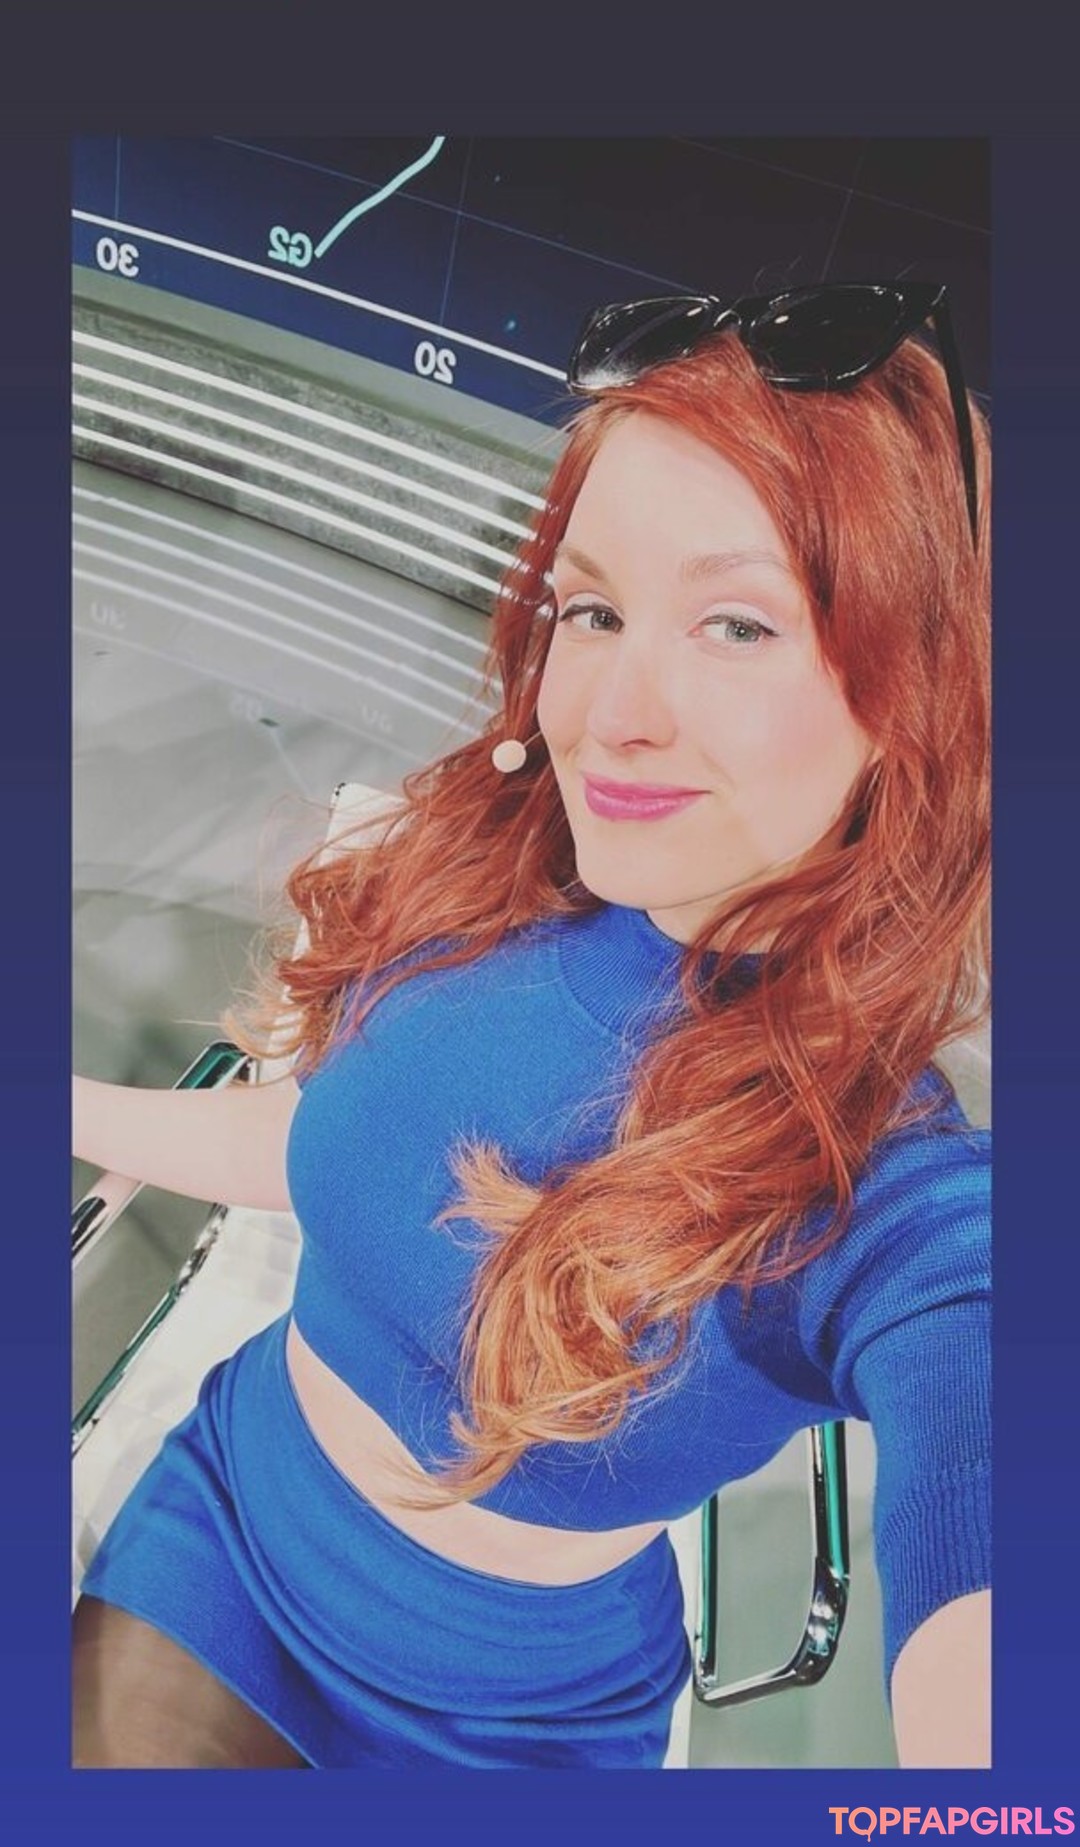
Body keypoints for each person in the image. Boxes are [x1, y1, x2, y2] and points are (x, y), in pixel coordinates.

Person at [71, 283, 991, 1771]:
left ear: (910, 692)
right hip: (224, 1545)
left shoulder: (888, 1188)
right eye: (595, 610)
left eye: (737, 624)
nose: (613, 712)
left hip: (519, 1719)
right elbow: (329, 1139)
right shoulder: (494, 882)